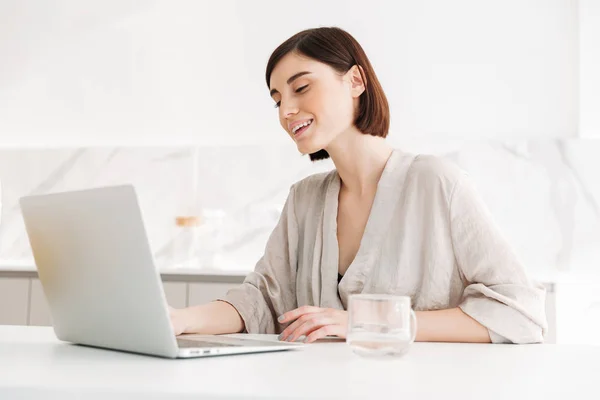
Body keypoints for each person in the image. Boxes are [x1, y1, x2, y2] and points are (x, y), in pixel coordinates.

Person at [169, 27, 547, 344]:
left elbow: (520, 313)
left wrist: (374, 324)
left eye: (301, 88)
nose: (286, 111)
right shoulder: (305, 200)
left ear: (355, 81)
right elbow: (260, 302)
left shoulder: (434, 182)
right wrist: (179, 319)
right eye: (278, 100)